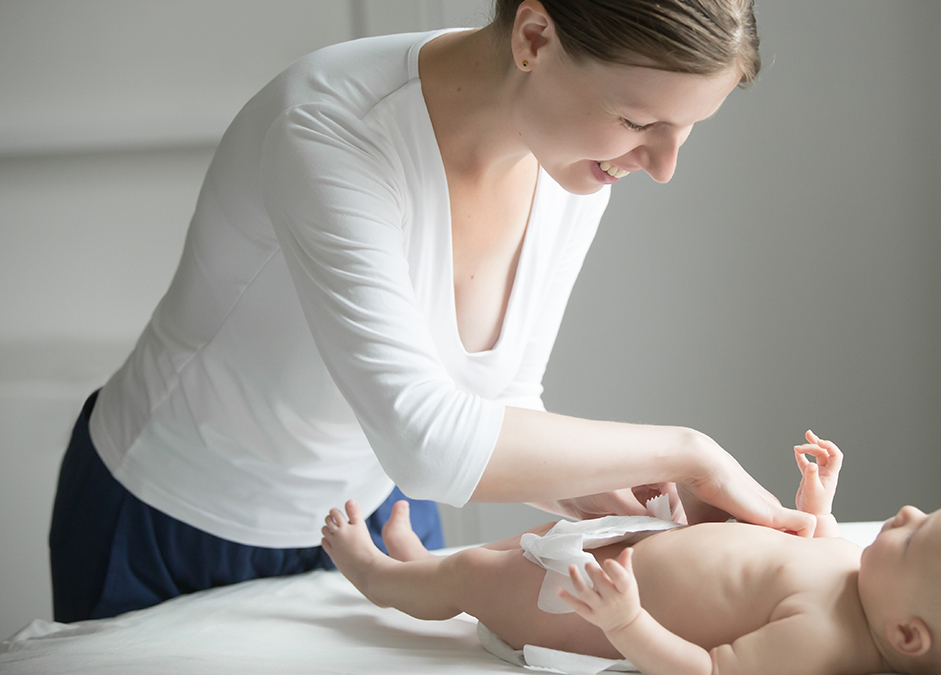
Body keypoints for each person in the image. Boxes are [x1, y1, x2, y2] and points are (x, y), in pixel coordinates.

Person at [49, 0, 812, 623]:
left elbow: (497, 399)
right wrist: (688, 453)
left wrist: (618, 502)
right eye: (641, 123)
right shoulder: (330, 128)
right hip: (173, 524)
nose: (663, 166)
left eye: (684, 130)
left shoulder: (575, 159)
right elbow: (426, 439)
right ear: (534, 38)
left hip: (377, 518)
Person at [321, 431, 941, 675]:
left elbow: (707, 670)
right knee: (509, 547)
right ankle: (417, 560)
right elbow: (812, 541)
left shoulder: (824, 639)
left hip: (592, 603)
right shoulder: (862, 577)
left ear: (907, 634)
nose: (906, 514)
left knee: (477, 577)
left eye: (919, 534)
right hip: (633, 545)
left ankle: (381, 576)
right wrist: (818, 500)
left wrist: (626, 623)